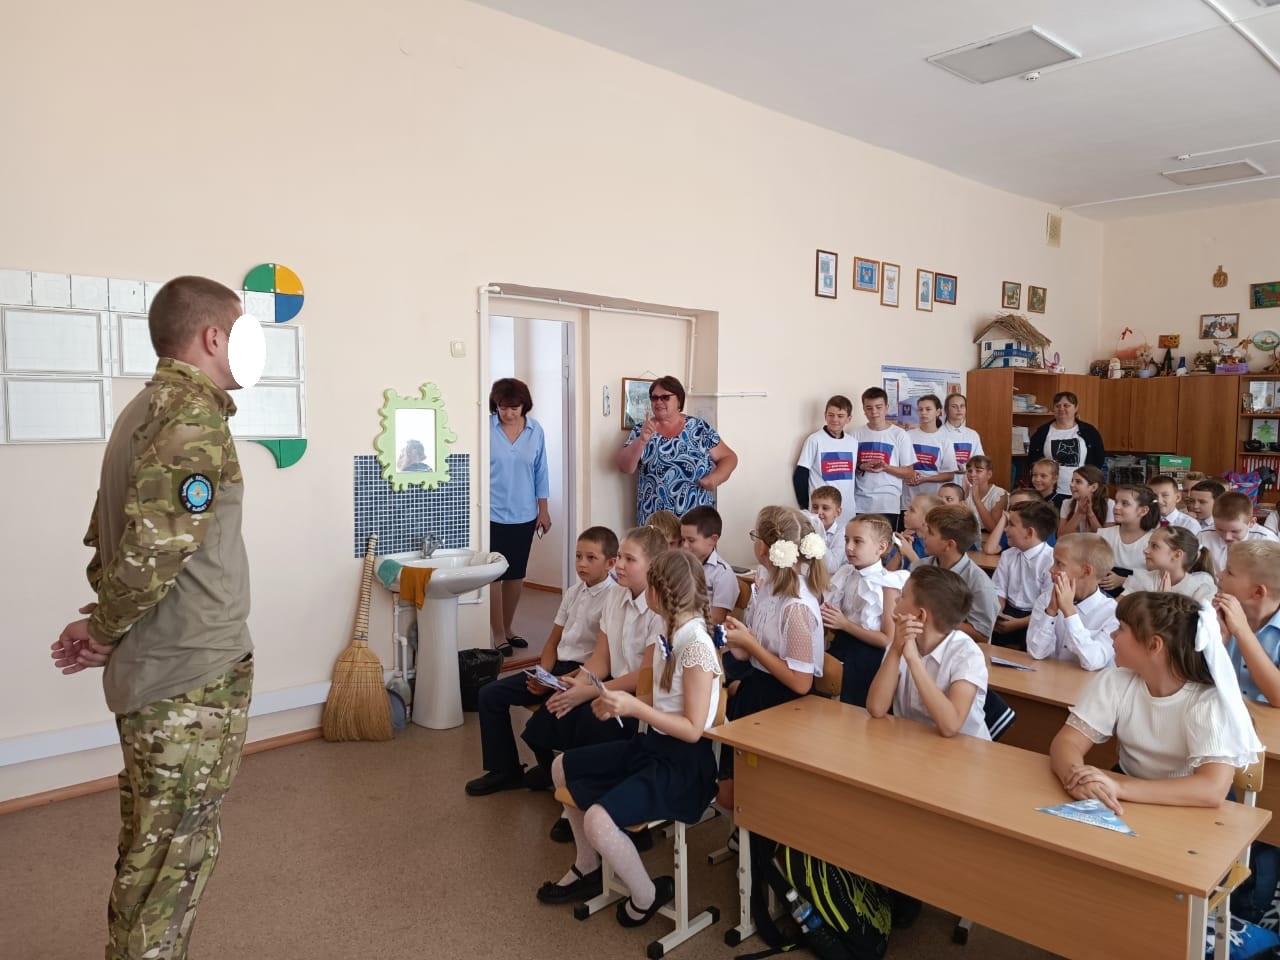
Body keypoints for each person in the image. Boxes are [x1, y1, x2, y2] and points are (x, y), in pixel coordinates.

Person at [51, 276, 256, 960]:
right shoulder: (191, 417)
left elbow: (115, 538)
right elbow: (152, 548)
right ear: (213, 336)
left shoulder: (144, 409)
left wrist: (105, 623)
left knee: (151, 858)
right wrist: (107, 629)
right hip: (188, 681)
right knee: (171, 864)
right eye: (245, 327)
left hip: (162, 670)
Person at [539, 550, 721, 922]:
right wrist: (613, 699)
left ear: (656, 592)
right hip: (651, 746)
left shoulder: (697, 647)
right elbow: (657, 694)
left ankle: (646, 894)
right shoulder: (668, 631)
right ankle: (587, 863)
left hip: (684, 765)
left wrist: (635, 708)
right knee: (562, 767)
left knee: (598, 821)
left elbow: (693, 729)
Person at [1049, 592, 1262, 814]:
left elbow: (1211, 789)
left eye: (1121, 628)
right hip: (1130, 793)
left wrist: (1119, 787)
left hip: (1188, 806)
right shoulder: (1114, 681)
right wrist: (1076, 778)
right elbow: (1067, 742)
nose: (1112, 635)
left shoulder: (1209, 703)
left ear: (1154, 645)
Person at [464, 526, 618, 797]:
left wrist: (561, 682)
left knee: (537, 728)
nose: (581, 563)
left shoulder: (614, 598)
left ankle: (554, 775)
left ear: (611, 563)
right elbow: (551, 642)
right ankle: (505, 770)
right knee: (490, 694)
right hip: (556, 670)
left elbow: (601, 658)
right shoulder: (573, 592)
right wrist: (543, 675)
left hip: (584, 675)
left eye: (591, 558)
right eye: (578, 556)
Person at [521, 527, 666, 794]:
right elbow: (601, 658)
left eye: (629, 560)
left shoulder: (660, 607)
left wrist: (590, 691)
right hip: (612, 683)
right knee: (553, 712)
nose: (619, 565)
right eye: (619, 557)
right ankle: (561, 783)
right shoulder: (615, 595)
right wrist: (576, 683)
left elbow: (643, 676)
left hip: (643, 695)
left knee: (591, 722)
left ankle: (585, 795)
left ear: (653, 565)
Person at [718, 507, 829, 808]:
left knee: (738, 795)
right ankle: (749, 836)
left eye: (755, 536)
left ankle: (764, 840)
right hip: (761, 688)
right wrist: (740, 642)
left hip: (783, 703)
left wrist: (751, 647)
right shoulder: (771, 589)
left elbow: (801, 683)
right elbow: (759, 647)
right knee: (728, 793)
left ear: (764, 548)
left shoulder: (795, 607)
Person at [866, 565, 990, 740]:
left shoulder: (967, 654)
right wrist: (895, 649)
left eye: (902, 596)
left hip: (963, 752)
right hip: (914, 742)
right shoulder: (901, 640)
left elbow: (950, 726)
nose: (895, 601)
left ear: (920, 616)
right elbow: (876, 708)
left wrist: (913, 660)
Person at [616, 375, 738, 525]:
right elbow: (625, 467)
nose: (658, 402)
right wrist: (641, 441)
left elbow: (729, 457)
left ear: (679, 400)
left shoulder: (698, 427)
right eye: (654, 398)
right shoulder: (642, 429)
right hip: (655, 522)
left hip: (696, 523)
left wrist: (715, 478)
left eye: (665, 397)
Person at [489, 377, 552, 657]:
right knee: (493, 576)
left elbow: (541, 470)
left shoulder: (535, 430)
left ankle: (509, 627)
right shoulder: (485, 428)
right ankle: (497, 633)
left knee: (515, 575)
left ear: (524, 405)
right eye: (503, 407)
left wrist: (544, 509)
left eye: (514, 407)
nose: (508, 413)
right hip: (490, 513)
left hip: (524, 514)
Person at [822, 514, 908, 706]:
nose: (849, 547)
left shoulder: (887, 584)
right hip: (841, 645)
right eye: (846, 540)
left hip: (868, 657)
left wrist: (844, 624)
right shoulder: (846, 573)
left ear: (881, 547)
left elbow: (887, 639)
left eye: (858, 541)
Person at [1027, 534, 1119, 670]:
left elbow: (1093, 662)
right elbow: (1036, 652)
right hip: (1048, 681)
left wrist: (1069, 612)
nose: (1051, 569)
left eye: (1059, 564)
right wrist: (1051, 612)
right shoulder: (1046, 599)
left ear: (1086, 571)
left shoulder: (1113, 613)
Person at [918, 505, 999, 642]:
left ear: (949, 545)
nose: (924, 535)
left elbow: (982, 634)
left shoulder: (979, 583)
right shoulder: (919, 567)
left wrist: (934, 620)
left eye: (931, 532)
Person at [1215, 540, 1280, 704]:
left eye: (1229, 572)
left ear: (1257, 592)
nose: (1219, 574)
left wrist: (1242, 632)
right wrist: (1217, 641)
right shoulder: (1219, 615)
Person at [991, 499, 1059, 650]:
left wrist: (1017, 624)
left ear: (1029, 532)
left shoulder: (1051, 561)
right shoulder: (1008, 555)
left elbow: (1049, 606)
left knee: (1031, 649)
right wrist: (998, 613)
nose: (1005, 529)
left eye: (1011, 525)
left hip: (1036, 617)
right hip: (1009, 611)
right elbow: (999, 591)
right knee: (988, 637)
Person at [852, 387, 914, 528]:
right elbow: (849, 469)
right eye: (869, 408)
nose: (874, 412)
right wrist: (861, 466)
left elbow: (909, 472)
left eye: (878, 407)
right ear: (864, 410)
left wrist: (886, 467)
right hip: (861, 503)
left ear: (886, 408)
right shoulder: (856, 434)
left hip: (888, 504)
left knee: (886, 547)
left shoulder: (900, 435)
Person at [1027, 391, 1106, 503]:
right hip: (1050, 493)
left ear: (1076, 407)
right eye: (1057, 406)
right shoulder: (1042, 433)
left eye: (1066, 405)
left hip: (1082, 492)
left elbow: (1098, 460)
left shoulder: (1090, 432)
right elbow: (1033, 462)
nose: (1061, 409)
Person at [793, 394, 856, 523]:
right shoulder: (814, 440)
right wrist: (805, 506)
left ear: (849, 419)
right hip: (821, 512)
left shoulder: (853, 442)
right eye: (831, 415)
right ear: (825, 415)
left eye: (840, 416)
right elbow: (800, 475)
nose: (835, 420)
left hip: (847, 509)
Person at [678, 506, 740, 624]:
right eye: (682, 540)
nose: (685, 546)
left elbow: (716, 620)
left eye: (691, 540)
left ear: (713, 540)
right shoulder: (681, 565)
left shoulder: (723, 574)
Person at [1123, 526, 1216, 603]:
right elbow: (1116, 611)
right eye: (1148, 545)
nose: (1146, 550)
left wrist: (1165, 600)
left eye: (1154, 546)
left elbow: (1199, 623)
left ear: (1177, 554)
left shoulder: (1200, 587)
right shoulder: (1142, 579)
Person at [1097, 485, 1159, 597]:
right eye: (1116, 502)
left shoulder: (1154, 540)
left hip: (1138, 598)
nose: (1116, 507)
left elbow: (1156, 578)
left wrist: (1123, 580)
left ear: (1143, 510)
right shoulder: (1104, 534)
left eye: (1125, 503)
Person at [1198, 491, 1280, 571]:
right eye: (1220, 529)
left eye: (1234, 531)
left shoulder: (1266, 540)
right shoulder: (1203, 536)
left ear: (1251, 522)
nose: (1227, 537)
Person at [901, 393, 957, 509]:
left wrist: (925, 479)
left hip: (933, 503)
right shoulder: (907, 436)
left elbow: (949, 475)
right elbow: (900, 465)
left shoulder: (945, 439)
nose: (923, 413)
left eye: (928, 409)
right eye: (920, 409)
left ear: (938, 412)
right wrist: (908, 474)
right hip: (908, 502)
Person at [984, 488, 1057, 555]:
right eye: (1011, 507)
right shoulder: (1012, 528)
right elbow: (989, 550)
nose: (1013, 510)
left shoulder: (1043, 529)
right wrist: (1004, 517)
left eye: (1020, 506)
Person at [888, 492, 941, 571]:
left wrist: (909, 552)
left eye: (912, 510)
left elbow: (931, 577)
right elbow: (887, 572)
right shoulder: (908, 538)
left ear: (927, 518)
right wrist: (900, 552)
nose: (905, 513)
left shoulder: (936, 545)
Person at [1057, 465, 1114, 537]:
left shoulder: (1109, 504)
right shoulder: (1067, 503)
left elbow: (1107, 539)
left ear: (1093, 487)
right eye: (1072, 481)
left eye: (1078, 482)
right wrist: (1079, 513)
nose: (1071, 485)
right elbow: (1061, 536)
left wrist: (1090, 514)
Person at [807, 485, 848, 575]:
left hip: (834, 582)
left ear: (837, 512)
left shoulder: (842, 532)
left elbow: (832, 567)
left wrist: (818, 533)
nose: (819, 512)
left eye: (825, 508)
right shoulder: (807, 530)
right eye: (815, 507)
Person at [940, 393, 985, 470]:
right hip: (944, 480)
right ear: (946, 410)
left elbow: (979, 461)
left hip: (967, 480)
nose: (959, 409)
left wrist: (964, 467)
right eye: (954, 406)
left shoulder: (972, 434)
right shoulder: (938, 433)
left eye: (962, 406)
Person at [963, 455, 1006, 535]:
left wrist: (977, 500)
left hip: (989, 536)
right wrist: (963, 497)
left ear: (989, 474)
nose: (972, 474)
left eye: (978, 471)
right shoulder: (965, 490)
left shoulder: (999, 494)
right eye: (969, 471)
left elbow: (993, 529)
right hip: (969, 535)